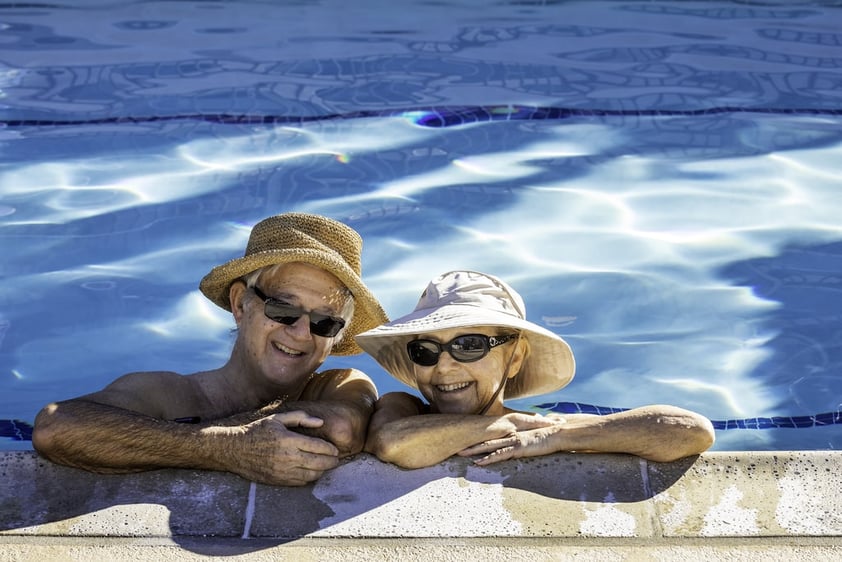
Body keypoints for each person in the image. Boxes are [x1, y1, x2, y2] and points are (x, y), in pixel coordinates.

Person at [33, 212, 389, 486]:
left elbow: (341, 428)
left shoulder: (340, 385)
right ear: (240, 304)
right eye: (283, 309)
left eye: (324, 322)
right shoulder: (168, 393)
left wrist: (159, 439)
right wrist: (225, 447)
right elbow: (56, 427)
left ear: (336, 336)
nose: (299, 333)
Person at [356, 270, 715, 469]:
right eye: (425, 350)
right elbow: (393, 442)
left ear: (514, 358)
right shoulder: (403, 408)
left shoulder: (541, 430)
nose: (443, 366)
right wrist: (507, 423)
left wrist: (556, 437)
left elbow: (691, 431)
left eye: (468, 345)